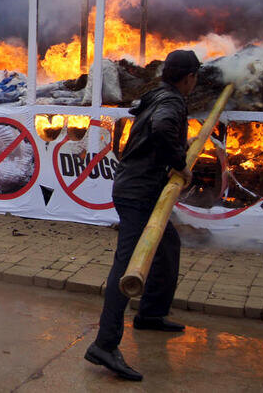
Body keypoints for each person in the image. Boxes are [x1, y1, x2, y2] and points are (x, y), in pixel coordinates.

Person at [84, 49, 200, 381]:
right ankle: (104, 345)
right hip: (138, 192)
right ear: (189, 77)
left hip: (138, 188)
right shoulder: (171, 102)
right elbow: (163, 128)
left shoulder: (157, 94)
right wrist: (179, 163)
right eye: (194, 77)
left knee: (167, 246)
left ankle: (150, 313)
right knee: (128, 266)